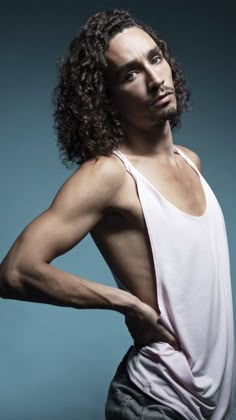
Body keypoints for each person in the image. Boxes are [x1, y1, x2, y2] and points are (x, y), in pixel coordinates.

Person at [0, 9, 235, 420]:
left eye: (155, 58)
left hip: (206, 405)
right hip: (155, 401)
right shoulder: (110, 175)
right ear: (106, 99)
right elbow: (16, 271)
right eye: (130, 73)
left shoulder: (191, 161)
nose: (154, 79)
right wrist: (124, 302)